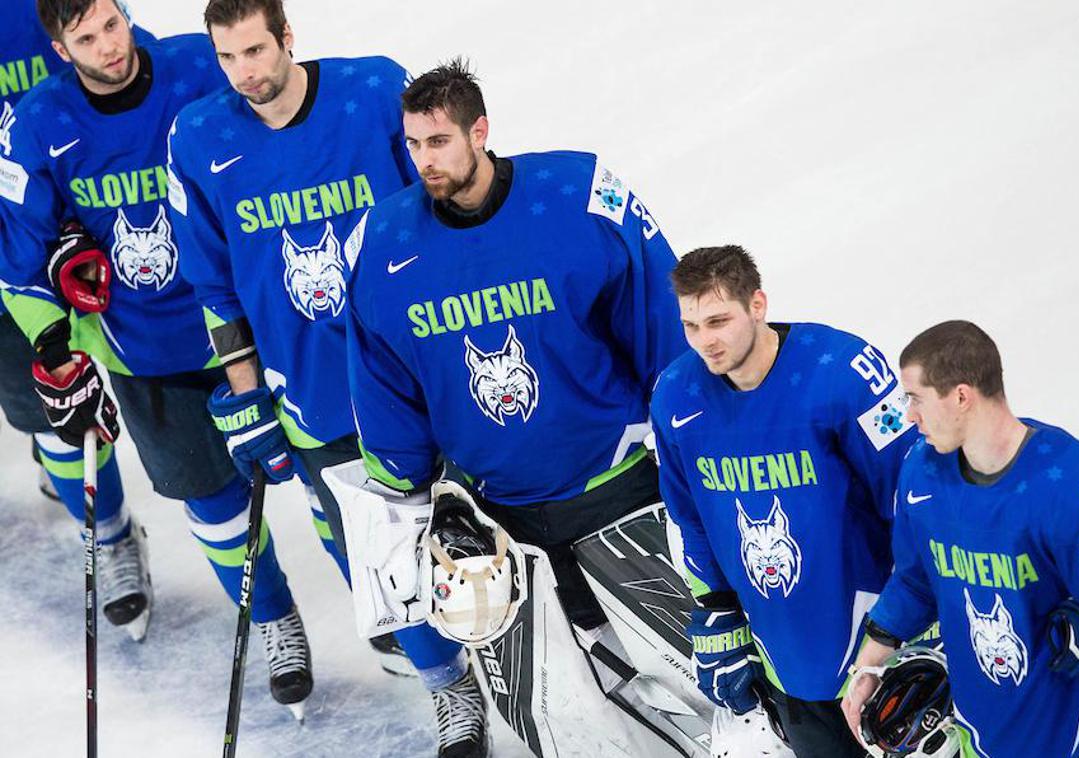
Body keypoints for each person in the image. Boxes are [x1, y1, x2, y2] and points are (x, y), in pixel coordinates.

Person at [343, 59, 689, 753]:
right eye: (412, 144)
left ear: (481, 131)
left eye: (438, 141)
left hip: (616, 490)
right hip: (495, 519)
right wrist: (405, 498)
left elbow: (662, 332)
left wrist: (691, 444)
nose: (423, 161)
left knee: (703, 688)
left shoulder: (580, 194)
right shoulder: (381, 244)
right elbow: (384, 384)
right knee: (550, 722)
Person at [167, 2, 479, 752]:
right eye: (228, 58)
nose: (246, 72)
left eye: (255, 50)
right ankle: (451, 690)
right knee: (370, 551)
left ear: (287, 40)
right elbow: (215, 287)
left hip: (423, 365)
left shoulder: (372, 92)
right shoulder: (199, 138)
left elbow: (446, 207)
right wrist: (247, 396)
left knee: (491, 520)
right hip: (312, 393)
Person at [0, 0, 312, 715]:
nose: (111, 45)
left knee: (327, 476)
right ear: (59, 45)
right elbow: (20, 255)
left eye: (113, 24)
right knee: (210, 496)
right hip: (145, 349)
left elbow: (272, 148)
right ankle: (271, 616)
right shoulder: (38, 126)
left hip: (248, 321)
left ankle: (396, 617)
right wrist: (52, 330)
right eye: (87, 37)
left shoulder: (200, 67)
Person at [842, 320, 1079, 758]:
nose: (908, 415)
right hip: (979, 730)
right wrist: (868, 665)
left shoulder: (1077, 486)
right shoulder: (922, 472)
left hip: (1075, 736)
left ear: (961, 396)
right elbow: (916, 582)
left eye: (915, 398)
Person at [648, 245, 916, 756]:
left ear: (758, 305)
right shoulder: (676, 396)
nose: (705, 341)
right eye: (691, 326)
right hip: (788, 667)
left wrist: (925, 618)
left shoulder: (843, 371)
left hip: (885, 652)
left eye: (718, 320)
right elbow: (690, 520)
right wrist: (717, 608)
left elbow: (915, 501)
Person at [0, 0, 150, 514]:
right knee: (52, 414)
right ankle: (109, 534)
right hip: (12, 261)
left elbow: (130, 66)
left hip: (88, 226)